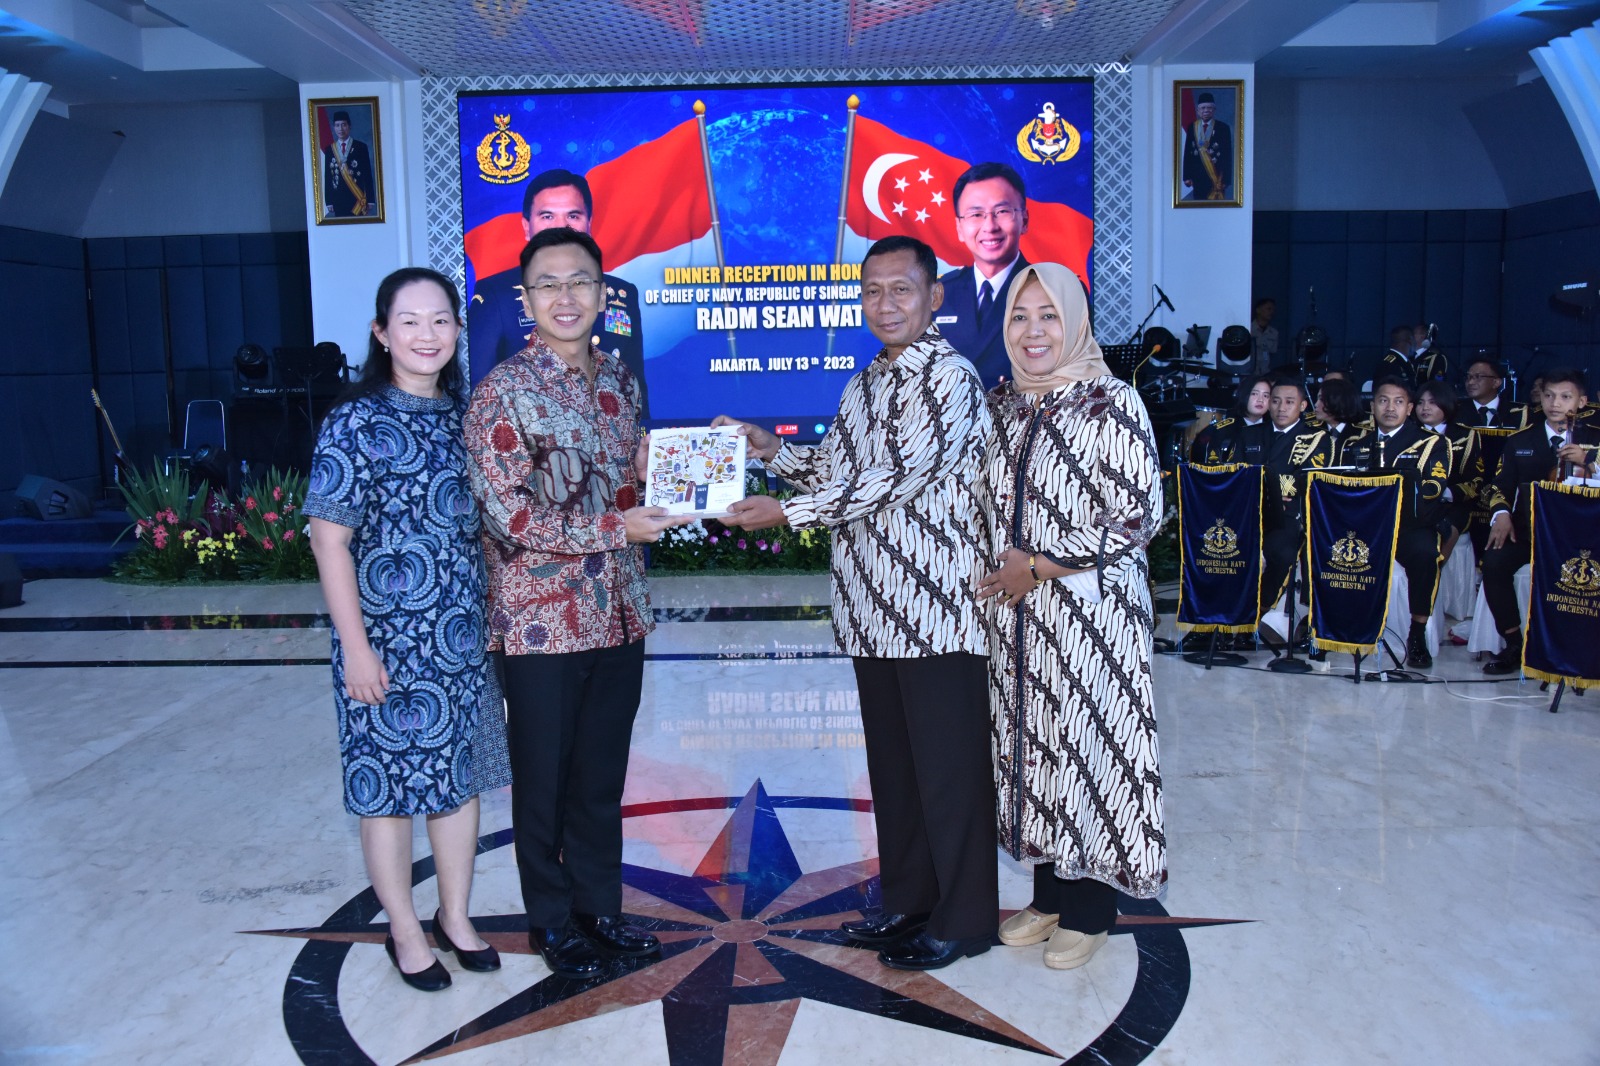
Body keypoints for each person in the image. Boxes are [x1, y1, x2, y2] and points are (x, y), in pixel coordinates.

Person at [714, 235, 996, 972]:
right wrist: (769, 451)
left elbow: (893, 480)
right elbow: (835, 467)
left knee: (949, 773)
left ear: (935, 298)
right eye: (872, 290)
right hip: (874, 612)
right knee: (899, 772)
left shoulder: (951, 380)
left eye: (902, 289)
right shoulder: (867, 381)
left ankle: (963, 918)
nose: (886, 303)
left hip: (937, 613)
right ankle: (910, 902)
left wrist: (789, 513)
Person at [463, 228, 689, 979]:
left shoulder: (620, 382)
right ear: (525, 300)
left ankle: (601, 910)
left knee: (599, 778)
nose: (567, 297)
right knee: (545, 781)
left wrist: (674, 474)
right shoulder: (502, 392)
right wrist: (614, 526)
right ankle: (553, 921)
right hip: (539, 624)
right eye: (549, 284)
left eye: (581, 282)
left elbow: (630, 478)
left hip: (619, 612)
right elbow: (508, 516)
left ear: (603, 294)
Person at [305, 267, 505, 991]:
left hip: (459, 639)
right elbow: (330, 541)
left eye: (441, 320)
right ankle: (404, 929)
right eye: (410, 321)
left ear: (457, 331)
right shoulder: (356, 421)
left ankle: (454, 917)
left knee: (456, 784)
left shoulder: (465, 418)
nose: (428, 335)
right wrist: (356, 649)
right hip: (384, 646)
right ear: (381, 333)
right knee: (386, 793)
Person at [974, 262, 1166, 971]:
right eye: (1021, 317)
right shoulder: (1005, 405)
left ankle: (1090, 911)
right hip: (1019, 620)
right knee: (1034, 751)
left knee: (1088, 751)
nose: (1033, 332)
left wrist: (1043, 564)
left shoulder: (1111, 402)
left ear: (1076, 321)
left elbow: (1140, 514)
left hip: (1091, 619)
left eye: (1049, 316)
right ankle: (1050, 894)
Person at [467, 168, 648, 413]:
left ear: (589, 222)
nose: (561, 227)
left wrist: (642, 445)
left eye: (573, 216)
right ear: (526, 226)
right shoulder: (495, 295)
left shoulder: (621, 293)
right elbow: (481, 401)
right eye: (547, 216)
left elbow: (636, 399)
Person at [1478, 368, 1600, 674]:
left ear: (1582, 401)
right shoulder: (1521, 440)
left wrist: (1590, 464)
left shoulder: (1595, 440)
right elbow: (1498, 486)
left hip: (1584, 538)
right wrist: (1501, 513)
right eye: (1548, 395)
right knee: (1493, 562)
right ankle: (1513, 643)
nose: (1555, 403)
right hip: (1530, 533)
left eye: (1565, 397)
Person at [1338, 378, 1451, 668]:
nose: (1390, 408)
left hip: (1409, 525)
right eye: (1383, 401)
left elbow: (1432, 490)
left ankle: (1416, 634)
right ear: (1372, 405)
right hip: (1362, 525)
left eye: (1399, 402)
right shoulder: (1354, 442)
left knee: (1425, 554)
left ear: (1410, 408)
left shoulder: (1431, 442)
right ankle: (1327, 626)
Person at [936, 162, 1031, 389]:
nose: (989, 226)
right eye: (976, 214)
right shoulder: (939, 295)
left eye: (1002, 212)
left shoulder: (1052, 291)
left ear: (1024, 220)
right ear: (959, 227)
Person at [1259, 378, 1335, 629]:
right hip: (1248, 512)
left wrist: (1267, 490)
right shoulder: (1253, 434)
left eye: (1289, 402)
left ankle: (1258, 610)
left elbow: (1305, 480)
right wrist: (1266, 492)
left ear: (1302, 406)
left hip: (1288, 515)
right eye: (1276, 400)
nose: (1281, 407)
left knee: (1279, 552)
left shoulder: (1316, 438)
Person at [1416, 381, 1482, 565]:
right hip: (1417, 500)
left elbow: (1476, 479)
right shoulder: (1410, 434)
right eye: (1420, 402)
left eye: (1432, 402)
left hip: (1452, 501)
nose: (1425, 408)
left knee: (1450, 524)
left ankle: (1437, 566)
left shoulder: (1465, 435)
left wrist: (1449, 493)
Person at [1190, 373, 1270, 464]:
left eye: (1266, 395)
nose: (1260, 399)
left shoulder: (1275, 430)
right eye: (1254, 394)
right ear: (1243, 395)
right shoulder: (1219, 431)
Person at [322, 111, 376, 218]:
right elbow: (328, 177)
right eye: (337, 125)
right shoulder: (330, 150)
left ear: (349, 126)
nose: (340, 129)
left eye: (343, 125)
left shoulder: (361, 147)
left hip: (357, 199)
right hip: (338, 199)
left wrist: (370, 200)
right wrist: (329, 201)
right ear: (334, 128)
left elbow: (367, 174)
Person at [1181, 92, 1233, 201]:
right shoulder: (1192, 127)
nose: (1206, 110)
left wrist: (1226, 180)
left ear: (1214, 110)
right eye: (1203, 108)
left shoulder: (1223, 128)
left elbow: (1227, 155)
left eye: (1209, 108)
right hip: (1197, 176)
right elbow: (1187, 153)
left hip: (1216, 176)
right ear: (1198, 111)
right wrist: (1186, 176)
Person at [1461, 357, 1527, 429]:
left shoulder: (1518, 413)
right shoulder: (1455, 411)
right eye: (1468, 377)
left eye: (1478, 377)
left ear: (1496, 382)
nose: (1470, 382)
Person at [1312, 376, 1361, 453]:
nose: (1316, 404)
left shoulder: (1362, 432)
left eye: (1321, 399)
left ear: (1338, 401)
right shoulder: (1310, 429)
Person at [1251, 298, 1279, 372]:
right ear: (1258, 310)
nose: (1271, 312)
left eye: (1273, 310)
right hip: (1250, 373)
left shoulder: (1274, 333)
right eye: (1269, 309)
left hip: (1265, 372)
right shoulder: (1249, 330)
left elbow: (1273, 351)